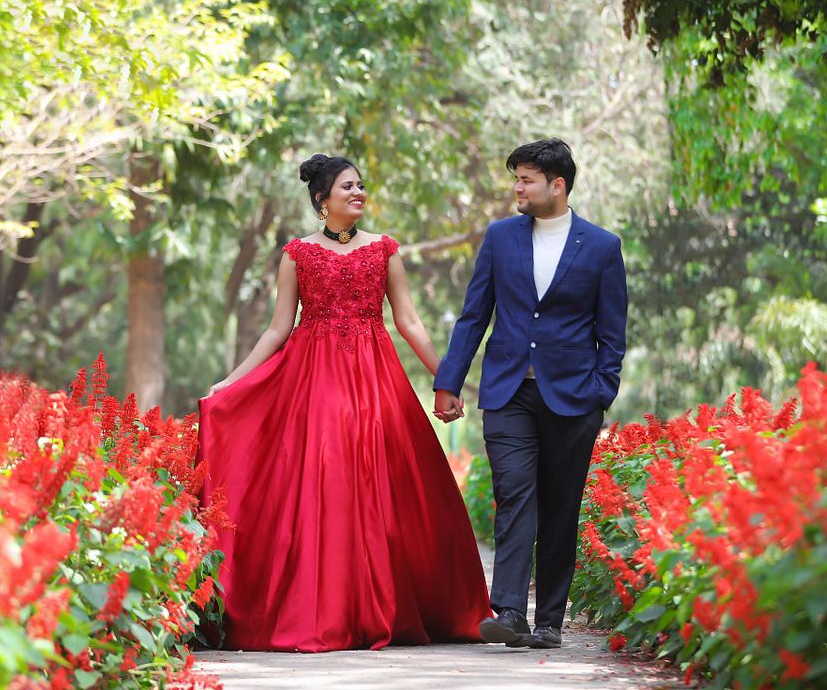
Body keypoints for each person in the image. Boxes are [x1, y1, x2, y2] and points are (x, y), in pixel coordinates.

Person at [198, 153, 489, 652]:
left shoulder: (384, 249)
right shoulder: (297, 254)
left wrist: (447, 379)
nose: (358, 193)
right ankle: (329, 607)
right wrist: (230, 382)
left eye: (360, 185)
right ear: (322, 199)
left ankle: (386, 604)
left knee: (383, 479)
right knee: (325, 477)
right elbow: (277, 329)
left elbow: (409, 322)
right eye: (347, 187)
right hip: (312, 379)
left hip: (375, 377)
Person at [433, 139, 627, 650]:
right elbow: (474, 315)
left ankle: (549, 622)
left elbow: (612, 333)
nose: (517, 188)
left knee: (560, 506)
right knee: (515, 493)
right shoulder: (501, 238)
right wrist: (449, 381)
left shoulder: (602, 247)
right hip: (507, 391)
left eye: (526, 180)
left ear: (556, 185)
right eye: (516, 179)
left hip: (573, 398)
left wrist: (601, 392)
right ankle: (511, 611)